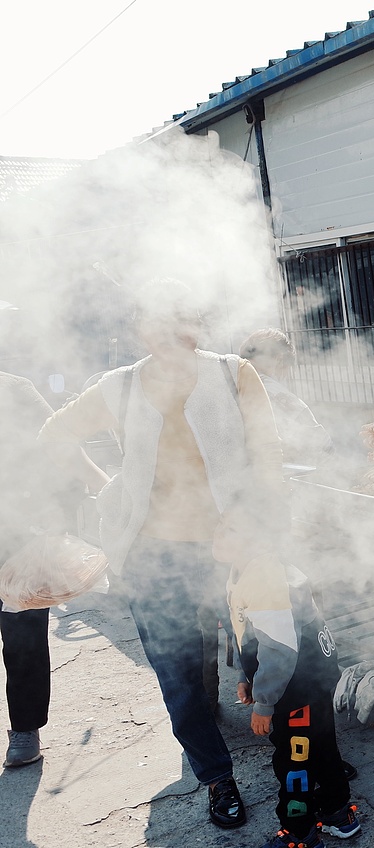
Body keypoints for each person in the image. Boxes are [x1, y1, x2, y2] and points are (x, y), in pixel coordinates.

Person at [39, 281, 287, 829]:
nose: (169, 333)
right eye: (155, 322)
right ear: (139, 329)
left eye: (180, 321)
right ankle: (216, 776)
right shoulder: (119, 386)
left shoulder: (233, 373)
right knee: (177, 673)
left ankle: (301, 756)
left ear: (196, 325)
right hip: (152, 557)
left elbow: (268, 453)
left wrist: (259, 519)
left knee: (265, 654)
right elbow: (55, 432)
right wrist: (109, 486)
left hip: (233, 548)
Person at [213, 503, 359, 848]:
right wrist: (246, 674)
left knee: (295, 760)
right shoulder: (243, 569)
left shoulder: (265, 577)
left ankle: (300, 831)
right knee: (320, 746)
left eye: (232, 530)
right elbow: (245, 629)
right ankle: (338, 813)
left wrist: (264, 702)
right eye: (220, 525)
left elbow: (279, 650)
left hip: (297, 686)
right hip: (308, 679)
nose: (218, 534)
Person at [0, 370, 108, 768]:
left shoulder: (15, 388)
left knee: (23, 638)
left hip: (18, 540)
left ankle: (25, 728)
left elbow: (60, 446)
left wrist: (56, 515)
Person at [238, 328, 333, 468]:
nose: (284, 374)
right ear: (279, 358)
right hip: (271, 470)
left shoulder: (232, 380)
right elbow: (322, 443)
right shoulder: (272, 390)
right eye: (286, 367)